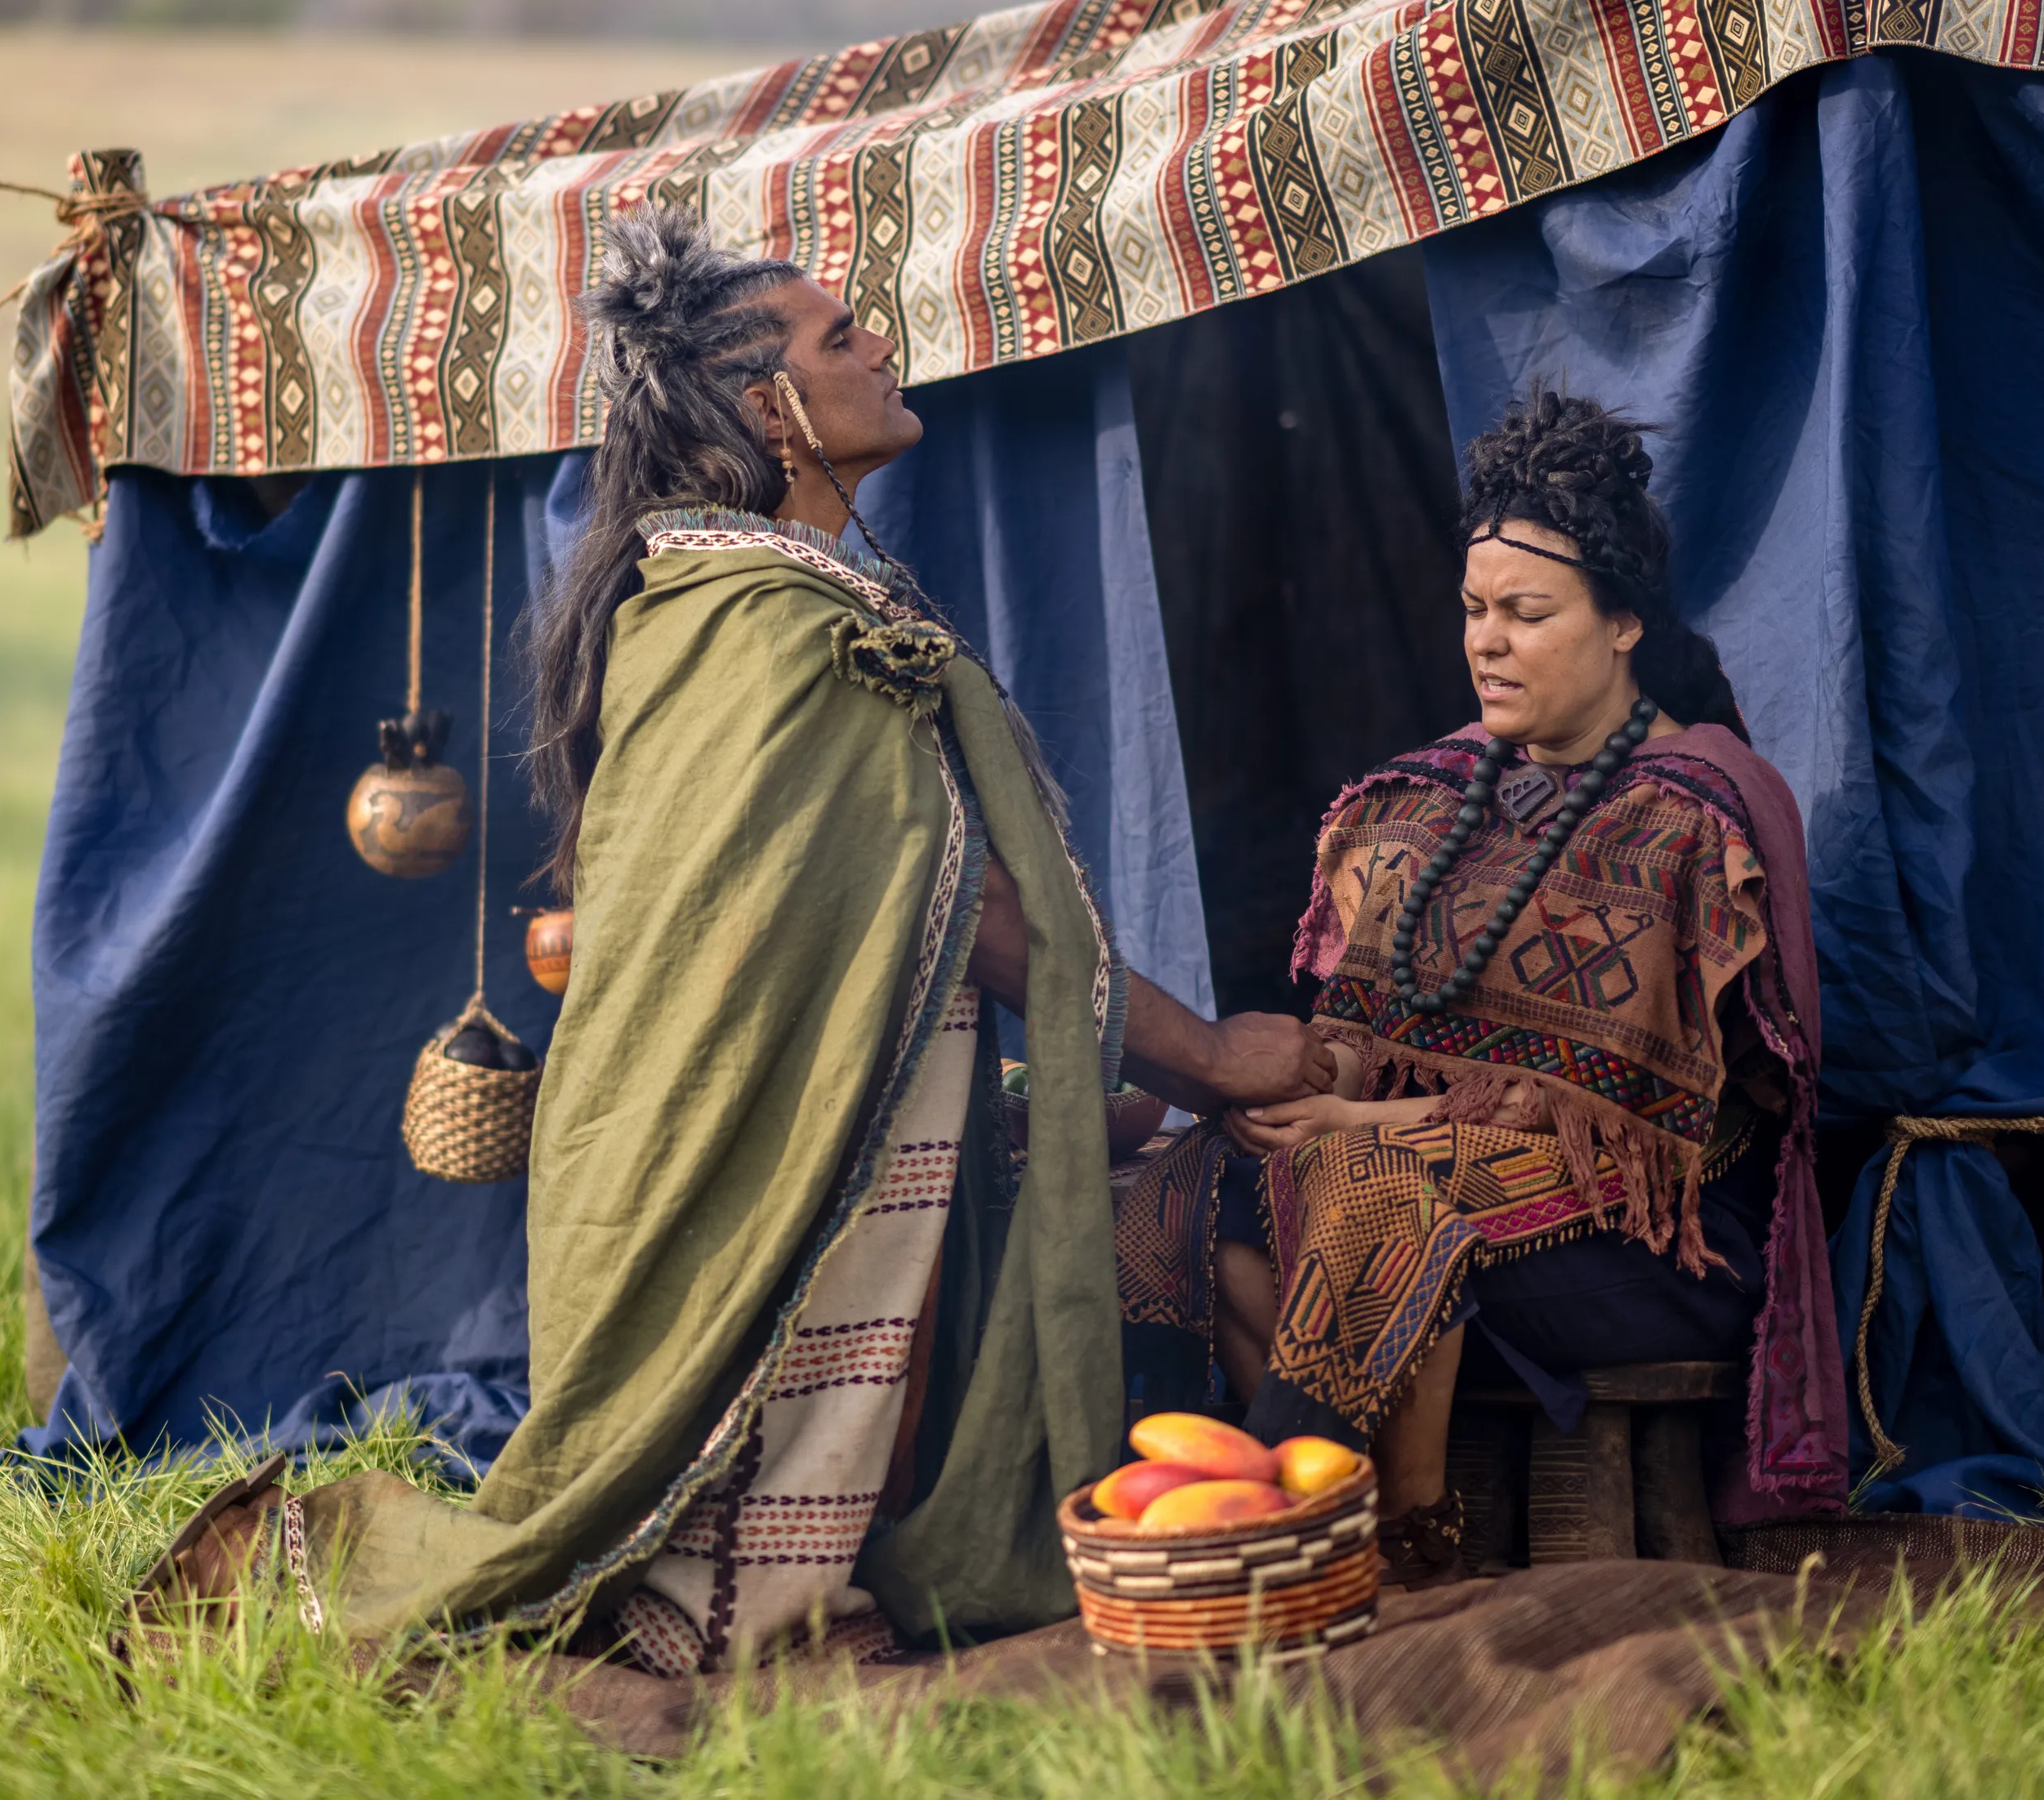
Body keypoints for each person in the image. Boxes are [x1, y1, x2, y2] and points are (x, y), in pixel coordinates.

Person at [123, 209, 1330, 1672]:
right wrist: (1206, 1056)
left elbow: (878, 911)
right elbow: (972, 911)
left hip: (790, 1106)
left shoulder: (734, 601)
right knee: (733, 1469)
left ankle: (782, 1597)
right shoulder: (761, 629)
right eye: (840, 338)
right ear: (772, 410)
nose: (879, 342)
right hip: (739, 1128)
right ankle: (740, 1612)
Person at [1138, 394, 1845, 1581]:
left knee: (1359, 1178)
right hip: (1450, 1203)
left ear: (1624, 622)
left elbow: (1623, 1116)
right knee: (1183, 1183)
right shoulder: (1415, 803)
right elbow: (1360, 1026)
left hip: (1644, 1252)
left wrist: (1355, 1120)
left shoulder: (1694, 813)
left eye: (1528, 613)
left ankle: (1316, 1546)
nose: (1487, 643)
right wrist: (1307, 1083)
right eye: (1474, 611)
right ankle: (1317, 1505)